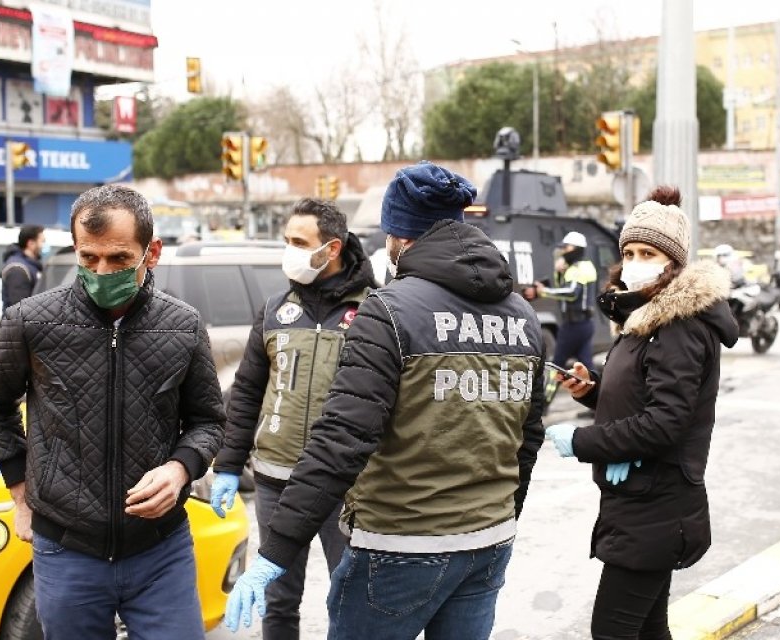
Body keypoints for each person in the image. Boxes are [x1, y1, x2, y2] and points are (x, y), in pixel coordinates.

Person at [222, 162, 546, 639]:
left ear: (400, 236)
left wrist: (276, 552)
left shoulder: (388, 311)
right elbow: (527, 436)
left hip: (400, 544)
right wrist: (499, 513)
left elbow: (342, 439)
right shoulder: (522, 315)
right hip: (489, 541)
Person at [0, 184, 226, 638]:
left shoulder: (184, 325)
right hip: (66, 549)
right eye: (88, 258)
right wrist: (19, 494)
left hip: (160, 550)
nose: (101, 272)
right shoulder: (32, 320)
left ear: (153, 253)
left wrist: (179, 469)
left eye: (118, 260)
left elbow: (209, 421)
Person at [545, 186, 738, 639]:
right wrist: (592, 393)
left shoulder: (678, 325)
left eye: (647, 252)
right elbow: (646, 396)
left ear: (673, 263)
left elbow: (667, 422)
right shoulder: (646, 318)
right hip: (642, 499)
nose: (634, 262)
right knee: (649, 629)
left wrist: (581, 442)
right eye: (628, 251)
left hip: (658, 501)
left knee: (612, 631)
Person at [209, 198, 375, 639]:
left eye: (299, 242)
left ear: (332, 248)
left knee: (352, 598)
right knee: (279, 600)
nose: (290, 251)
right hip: (275, 479)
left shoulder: (375, 312)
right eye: (286, 241)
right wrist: (228, 465)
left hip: (347, 486)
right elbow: (246, 391)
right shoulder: (274, 310)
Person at [532, 231, 598, 371]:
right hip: (582, 324)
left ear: (577, 249)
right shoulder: (578, 267)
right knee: (586, 366)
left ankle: (546, 392)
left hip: (574, 325)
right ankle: (597, 391)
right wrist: (559, 273)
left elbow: (571, 293)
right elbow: (564, 289)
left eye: (566, 247)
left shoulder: (579, 268)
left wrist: (543, 291)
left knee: (557, 364)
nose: (562, 251)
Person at [1, 224, 46, 309]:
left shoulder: (32, 265)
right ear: (31, 243)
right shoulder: (17, 269)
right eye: (42, 241)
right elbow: (19, 307)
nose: (44, 245)